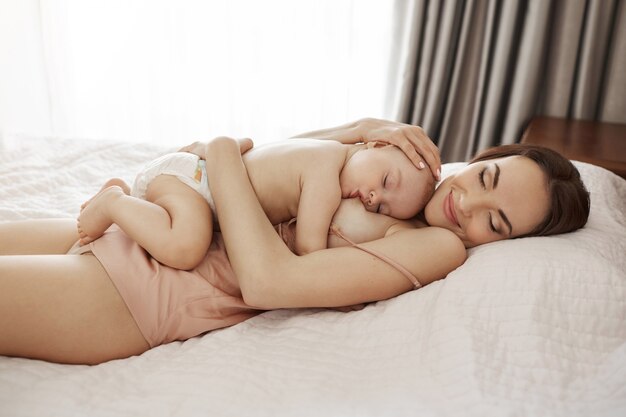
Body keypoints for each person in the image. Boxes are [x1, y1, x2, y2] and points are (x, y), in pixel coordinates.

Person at [0, 118, 590, 365]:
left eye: (497, 222)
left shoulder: (437, 248)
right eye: (485, 179)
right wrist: (357, 130)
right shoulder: (407, 171)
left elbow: (268, 281)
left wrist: (223, 151)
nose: (469, 204)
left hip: (143, 289)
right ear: (484, 159)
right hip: (145, 220)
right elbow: (289, 169)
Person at [77, 138, 437, 270]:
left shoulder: (328, 147)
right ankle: (114, 203)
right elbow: (309, 248)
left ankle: (127, 194)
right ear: (374, 145)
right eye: (387, 182)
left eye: (383, 208)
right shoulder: (324, 177)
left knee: (182, 227)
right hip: (197, 183)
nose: (374, 198)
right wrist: (347, 295)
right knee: (186, 247)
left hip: (191, 176)